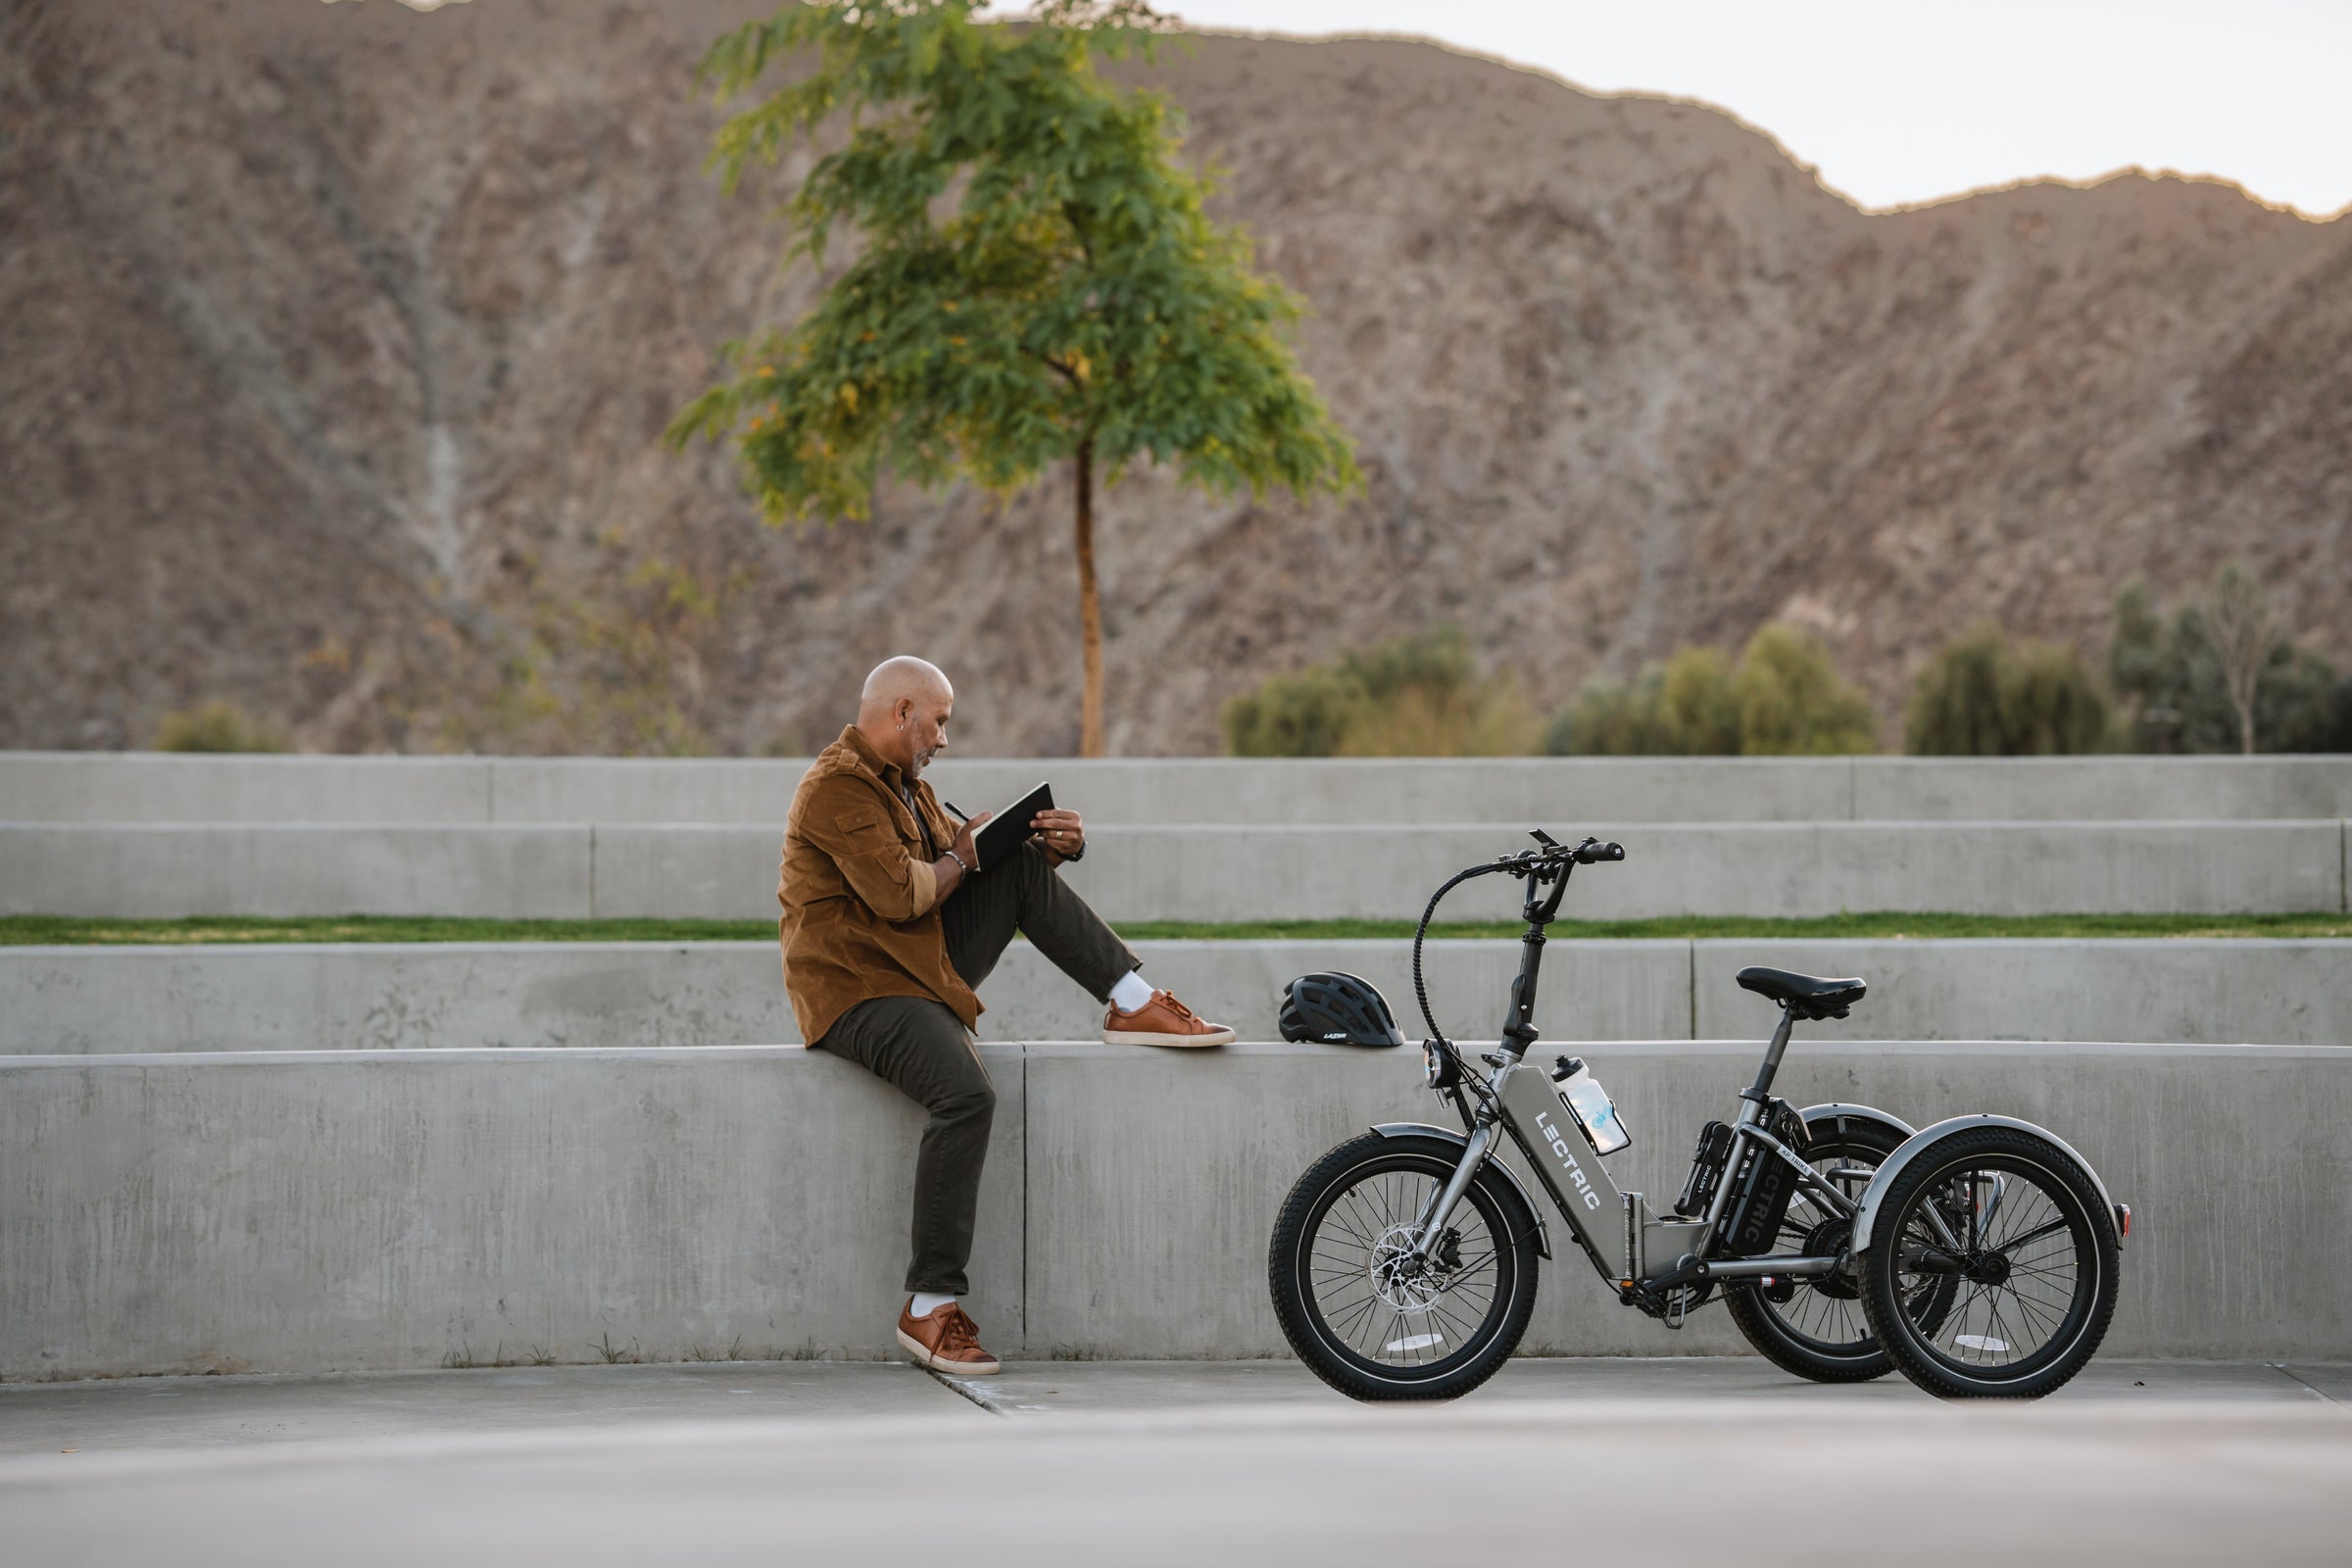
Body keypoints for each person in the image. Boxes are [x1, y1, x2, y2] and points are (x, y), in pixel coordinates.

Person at [778, 656, 1235, 1376]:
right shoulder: (835, 788)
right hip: (859, 987)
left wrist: (1045, 849)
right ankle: (928, 1308)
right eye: (940, 721)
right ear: (901, 712)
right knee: (966, 1095)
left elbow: (955, 886)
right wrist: (963, 855)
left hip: (918, 965)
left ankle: (1133, 1002)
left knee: (1017, 861)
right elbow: (905, 896)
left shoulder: (909, 787)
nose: (945, 740)